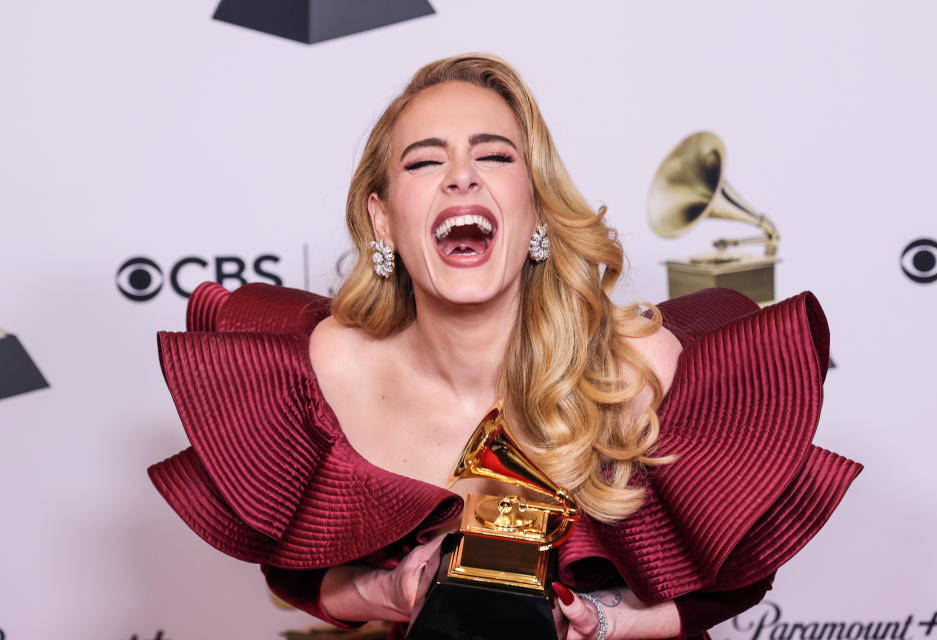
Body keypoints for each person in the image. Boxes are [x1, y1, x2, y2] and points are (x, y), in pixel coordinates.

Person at [148, 54, 861, 640]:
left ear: (537, 210)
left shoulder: (639, 367)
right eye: (425, 162)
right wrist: (388, 591)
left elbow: (737, 572)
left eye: (493, 155)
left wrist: (606, 624)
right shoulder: (323, 370)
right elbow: (296, 565)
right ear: (384, 221)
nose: (462, 174)